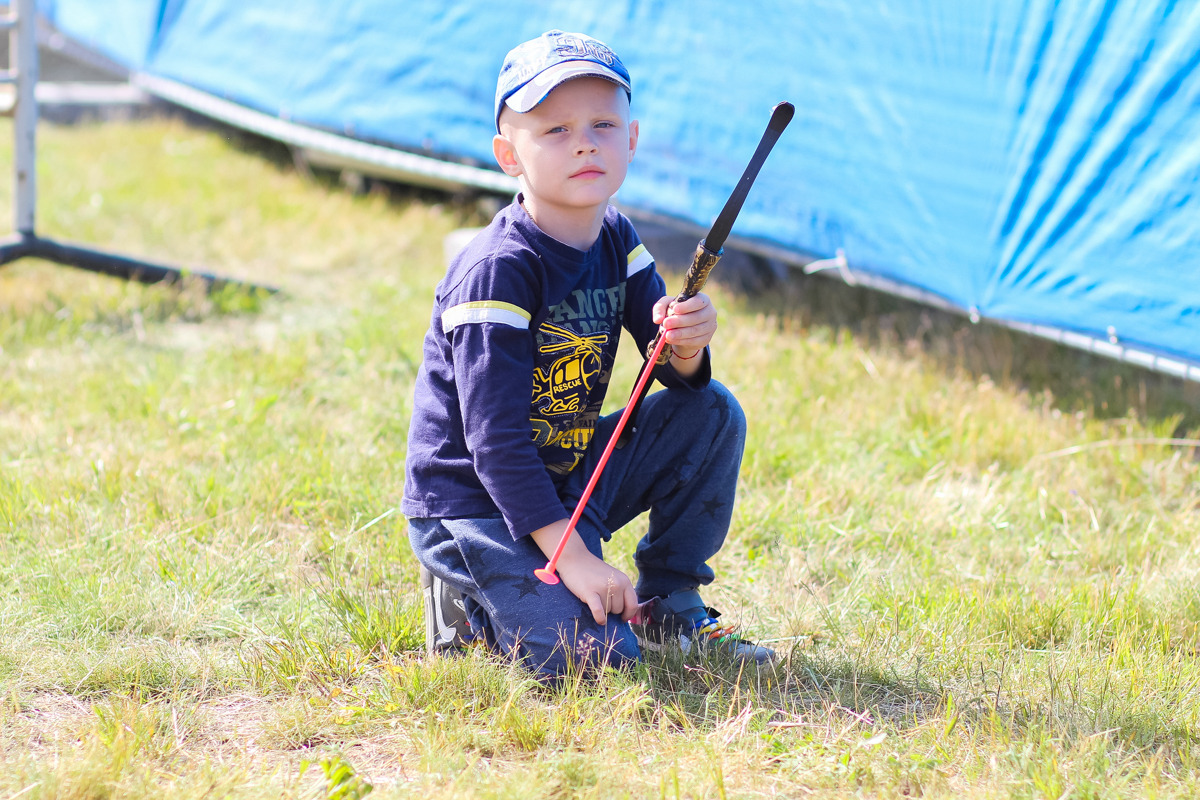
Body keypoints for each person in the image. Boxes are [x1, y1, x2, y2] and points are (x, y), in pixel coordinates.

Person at [403, 29, 773, 678]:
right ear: (507, 154)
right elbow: (494, 445)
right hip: (477, 500)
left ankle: (671, 603)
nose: (584, 142)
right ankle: (467, 596)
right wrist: (573, 558)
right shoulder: (497, 272)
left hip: (567, 475)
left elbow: (670, 373)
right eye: (554, 130)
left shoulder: (617, 237)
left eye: (604, 123)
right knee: (597, 664)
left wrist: (686, 345)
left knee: (712, 411)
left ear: (630, 139)